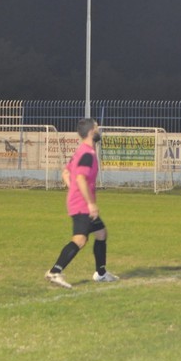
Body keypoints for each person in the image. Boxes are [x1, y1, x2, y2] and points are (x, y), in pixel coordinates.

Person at [45, 118, 119, 288]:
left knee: (101, 233)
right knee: (80, 239)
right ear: (92, 132)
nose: (99, 130)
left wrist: (73, 190)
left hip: (79, 201)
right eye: (97, 128)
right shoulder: (87, 154)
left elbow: (65, 173)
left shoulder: (81, 152)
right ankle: (55, 272)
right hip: (82, 205)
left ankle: (101, 273)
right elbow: (80, 178)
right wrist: (90, 203)